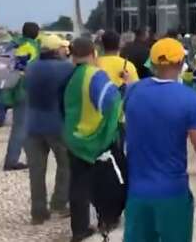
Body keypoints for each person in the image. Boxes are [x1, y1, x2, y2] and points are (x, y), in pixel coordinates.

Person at [123, 38, 196, 242]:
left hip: (137, 193)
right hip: (172, 192)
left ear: (152, 62)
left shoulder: (132, 91)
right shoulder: (190, 99)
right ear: (181, 62)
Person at [63, 37, 122, 242]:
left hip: (73, 137)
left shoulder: (70, 75)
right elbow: (112, 102)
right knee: (106, 181)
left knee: (77, 185)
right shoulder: (94, 75)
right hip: (94, 138)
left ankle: (79, 229)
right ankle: (107, 219)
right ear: (93, 52)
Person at [23, 34, 72, 225]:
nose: (65, 51)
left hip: (32, 124)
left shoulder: (31, 66)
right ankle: (59, 204)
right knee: (65, 165)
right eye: (62, 48)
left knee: (36, 170)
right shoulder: (65, 68)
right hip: (56, 123)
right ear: (55, 50)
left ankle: (38, 211)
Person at [3, 22, 41, 171]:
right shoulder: (32, 47)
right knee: (20, 126)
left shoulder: (13, 44)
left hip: (12, 86)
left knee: (23, 124)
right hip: (25, 88)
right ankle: (11, 160)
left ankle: (27, 156)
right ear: (35, 33)